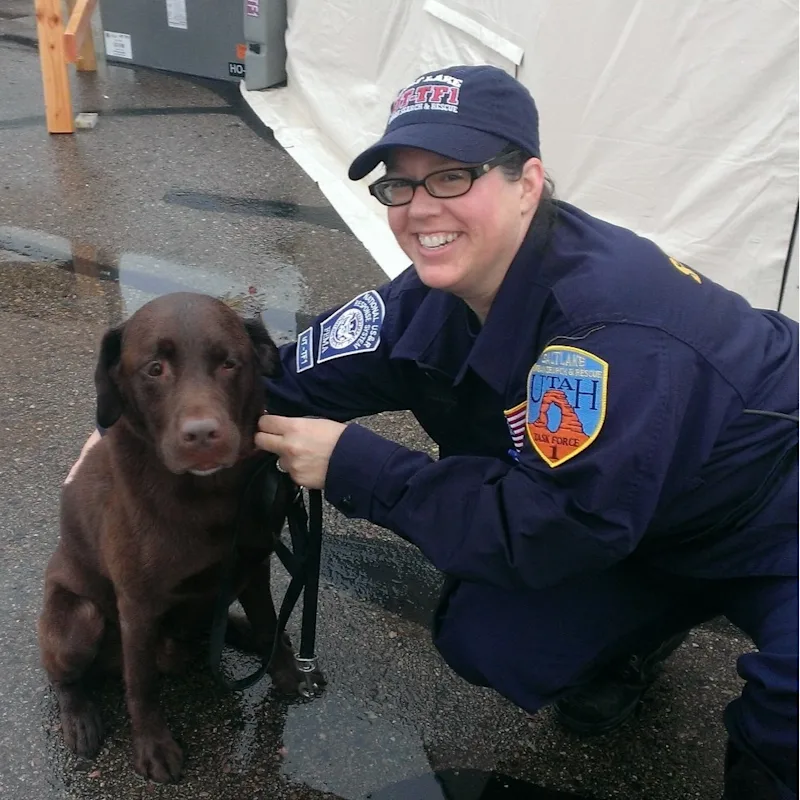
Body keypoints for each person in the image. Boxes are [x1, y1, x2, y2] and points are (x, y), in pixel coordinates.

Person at [71, 65, 798, 799]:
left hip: (775, 512)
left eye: (452, 177)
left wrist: (357, 464)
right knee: (487, 634)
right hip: (636, 515)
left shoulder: (607, 331)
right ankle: (638, 634)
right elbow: (272, 377)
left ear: (529, 181)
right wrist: (124, 431)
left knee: (792, 710)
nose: (420, 208)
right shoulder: (426, 298)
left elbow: (549, 528)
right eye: (400, 184)